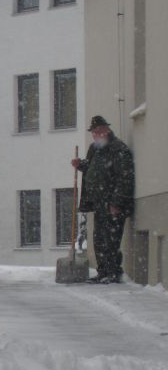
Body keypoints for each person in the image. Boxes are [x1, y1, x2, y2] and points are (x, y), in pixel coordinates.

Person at [71, 115, 135, 284]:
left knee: (111, 239)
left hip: (113, 204)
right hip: (99, 203)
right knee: (99, 239)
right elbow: (93, 168)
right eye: (93, 132)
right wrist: (80, 165)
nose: (95, 135)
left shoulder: (118, 149)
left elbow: (124, 178)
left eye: (98, 132)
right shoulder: (95, 148)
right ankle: (103, 272)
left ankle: (113, 272)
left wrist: (117, 203)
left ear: (106, 130)